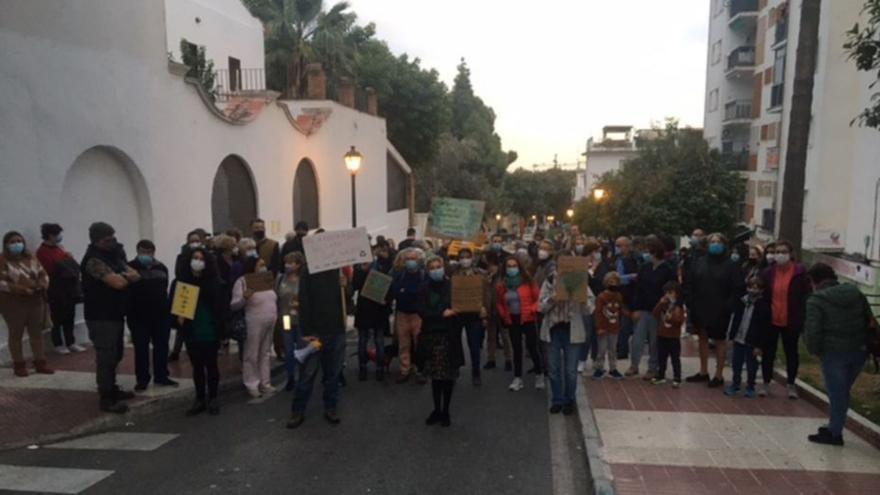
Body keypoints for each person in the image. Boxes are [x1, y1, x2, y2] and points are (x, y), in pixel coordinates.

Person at [804, 263, 874, 446]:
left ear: (813, 281)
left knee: (837, 393)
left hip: (833, 352)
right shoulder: (854, 292)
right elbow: (869, 317)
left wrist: (813, 349)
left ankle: (835, 433)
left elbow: (813, 330)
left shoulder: (816, 300)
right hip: (859, 350)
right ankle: (834, 426)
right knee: (842, 392)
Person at [80, 222, 139, 413]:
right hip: (100, 315)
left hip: (115, 313)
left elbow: (134, 274)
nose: (113, 241)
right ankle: (106, 397)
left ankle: (112, 387)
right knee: (106, 356)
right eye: (108, 239)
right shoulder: (93, 260)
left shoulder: (113, 255)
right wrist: (124, 276)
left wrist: (124, 276)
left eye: (113, 236)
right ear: (97, 240)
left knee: (116, 353)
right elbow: (117, 283)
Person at [287, 247, 347, 429]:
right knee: (307, 374)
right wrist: (306, 331)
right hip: (315, 332)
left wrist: (346, 285)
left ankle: (331, 407)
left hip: (336, 330)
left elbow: (346, 301)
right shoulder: (308, 271)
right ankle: (298, 410)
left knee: (333, 373)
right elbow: (303, 301)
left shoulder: (337, 271)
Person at [169, 248, 224, 415]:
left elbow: (221, 307)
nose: (198, 261)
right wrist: (177, 319)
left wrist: (222, 329)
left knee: (211, 365)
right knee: (197, 367)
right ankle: (200, 398)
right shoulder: (180, 282)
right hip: (191, 330)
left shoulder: (215, 282)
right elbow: (172, 305)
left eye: (201, 258)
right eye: (195, 258)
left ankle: (213, 397)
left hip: (210, 329)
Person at [684, 233, 743, 388]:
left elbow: (737, 289)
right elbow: (689, 282)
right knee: (702, 338)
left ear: (724, 245)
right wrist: (690, 302)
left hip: (720, 310)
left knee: (719, 341)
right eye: (712, 242)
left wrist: (728, 306)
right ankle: (703, 372)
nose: (715, 244)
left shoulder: (731, 265)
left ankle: (719, 375)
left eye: (718, 242)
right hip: (700, 307)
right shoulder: (699, 262)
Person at [760, 240, 810, 399]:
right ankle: (766, 383)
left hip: (791, 320)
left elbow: (805, 296)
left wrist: (802, 317)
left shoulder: (800, 273)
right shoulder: (768, 273)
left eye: (783, 251)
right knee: (768, 353)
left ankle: (791, 384)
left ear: (790, 254)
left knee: (791, 353)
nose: (780, 255)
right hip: (771, 319)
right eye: (777, 252)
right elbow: (763, 296)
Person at [0, 231, 55, 377]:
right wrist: (22, 290)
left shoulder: (31, 257)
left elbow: (43, 274)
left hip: (35, 301)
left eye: (19, 241)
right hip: (13, 304)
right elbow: (2, 283)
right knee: (16, 334)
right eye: (12, 242)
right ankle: (19, 365)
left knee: (36, 334)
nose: (17, 244)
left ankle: (40, 363)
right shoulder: (3, 260)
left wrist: (43, 284)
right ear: (6, 244)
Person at [419, 257, 463, 427]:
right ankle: (437, 409)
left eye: (439, 267)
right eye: (432, 268)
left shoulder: (452, 286)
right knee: (436, 377)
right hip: (432, 336)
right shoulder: (424, 288)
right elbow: (421, 310)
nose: (436, 270)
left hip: (449, 336)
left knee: (448, 376)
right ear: (428, 271)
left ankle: (446, 410)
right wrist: (440, 314)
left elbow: (461, 306)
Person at [127, 240, 177, 391]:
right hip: (138, 315)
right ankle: (142, 379)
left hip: (161, 315)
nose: (146, 255)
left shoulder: (161, 267)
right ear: (137, 251)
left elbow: (163, 289)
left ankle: (161, 376)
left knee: (162, 346)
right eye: (143, 252)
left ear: (154, 252)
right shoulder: (130, 267)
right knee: (141, 348)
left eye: (149, 252)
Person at [539, 269, 588, 415]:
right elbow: (541, 307)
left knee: (571, 371)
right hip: (553, 330)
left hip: (572, 330)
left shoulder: (580, 281)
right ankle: (557, 399)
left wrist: (582, 300)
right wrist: (553, 298)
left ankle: (569, 400)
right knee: (553, 369)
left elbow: (589, 308)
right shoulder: (549, 281)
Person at [626, 236, 677, 380]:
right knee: (637, 339)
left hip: (659, 310)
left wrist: (667, 305)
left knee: (655, 342)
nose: (646, 254)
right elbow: (638, 288)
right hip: (643, 309)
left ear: (654, 251)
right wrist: (635, 308)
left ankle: (653, 367)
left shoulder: (667, 269)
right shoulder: (644, 267)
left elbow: (672, 289)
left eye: (648, 251)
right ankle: (634, 365)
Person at [231, 256, 278, 398]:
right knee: (251, 353)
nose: (263, 267)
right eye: (260, 265)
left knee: (265, 352)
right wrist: (244, 297)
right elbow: (234, 305)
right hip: (253, 322)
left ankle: (265, 382)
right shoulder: (242, 282)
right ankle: (252, 383)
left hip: (270, 321)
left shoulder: (266, 281)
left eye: (264, 264)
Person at [35, 223, 86, 354]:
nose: (59, 237)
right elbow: (49, 270)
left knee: (70, 316)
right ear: (50, 235)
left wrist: (69, 259)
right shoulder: (42, 252)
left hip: (69, 288)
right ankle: (58, 344)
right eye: (57, 234)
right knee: (57, 318)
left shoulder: (59, 249)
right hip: (55, 289)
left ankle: (71, 342)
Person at [496, 256, 543, 391]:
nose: (512, 268)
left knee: (532, 347)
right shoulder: (502, 285)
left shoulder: (528, 282)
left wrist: (532, 310)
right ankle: (517, 378)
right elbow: (499, 302)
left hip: (527, 318)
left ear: (519, 267)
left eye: (514, 265)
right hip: (512, 319)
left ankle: (539, 373)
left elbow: (537, 299)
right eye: (509, 266)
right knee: (516, 348)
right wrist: (504, 314)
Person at [353, 242, 394, 382]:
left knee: (379, 340)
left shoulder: (383, 265)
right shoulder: (359, 268)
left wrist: (387, 300)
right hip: (365, 308)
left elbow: (390, 284)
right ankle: (362, 367)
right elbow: (355, 286)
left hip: (379, 308)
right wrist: (362, 271)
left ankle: (380, 368)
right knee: (363, 340)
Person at [724, 276, 770, 398]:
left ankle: (750, 386)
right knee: (736, 363)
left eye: (756, 288)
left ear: (761, 290)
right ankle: (735, 383)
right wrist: (731, 337)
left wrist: (759, 345)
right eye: (750, 287)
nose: (753, 291)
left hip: (752, 342)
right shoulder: (741, 302)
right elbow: (734, 320)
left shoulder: (763, 306)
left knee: (751, 365)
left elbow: (764, 328)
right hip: (739, 338)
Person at [450, 247, 488, 386]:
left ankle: (476, 372)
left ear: (472, 258)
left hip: (475, 315)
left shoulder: (480, 274)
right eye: (462, 257)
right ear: (458, 259)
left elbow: (485, 293)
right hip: (457, 314)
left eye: (467, 257)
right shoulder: (453, 273)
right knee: (455, 343)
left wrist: (484, 311)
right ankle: (455, 368)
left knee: (474, 346)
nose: (465, 259)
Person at [391, 248, 426, 384]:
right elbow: (394, 292)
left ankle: (420, 369)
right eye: (408, 259)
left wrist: (405, 292)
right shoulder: (399, 275)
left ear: (418, 261)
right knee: (403, 344)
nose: (410, 262)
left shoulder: (423, 275)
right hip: (402, 314)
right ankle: (404, 369)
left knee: (419, 343)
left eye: (413, 259)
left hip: (418, 315)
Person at [276, 252, 305, 390]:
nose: (288, 265)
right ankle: (290, 377)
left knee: (301, 348)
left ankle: (302, 376)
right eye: (286, 262)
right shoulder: (281, 279)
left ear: (298, 264)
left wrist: (301, 304)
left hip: (300, 318)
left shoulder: (304, 279)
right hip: (286, 317)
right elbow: (276, 297)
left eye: (291, 262)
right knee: (288, 349)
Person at [593, 271, 628, 379]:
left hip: (614, 326)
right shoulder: (601, 297)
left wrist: (628, 314)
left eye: (615, 282)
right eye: (610, 281)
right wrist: (599, 327)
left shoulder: (618, 296)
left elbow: (621, 309)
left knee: (613, 349)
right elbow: (598, 312)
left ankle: (613, 368)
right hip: (603, 326)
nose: (613, 284)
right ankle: (599, 367)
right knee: (601, 349)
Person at [482, 252, 513, 372]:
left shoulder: (503, 278)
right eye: (488, 266)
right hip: (490, 312)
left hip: (502, 311)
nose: (490, 268)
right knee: (490, 337)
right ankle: (491, 359)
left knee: (505, 336)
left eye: (492, 265)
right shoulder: (486, 278)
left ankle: (508, 359)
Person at [651, 281, 685, 387]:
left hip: (673, 337)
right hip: (662, 335)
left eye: (670, 292)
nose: (667, 295)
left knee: (675, 358)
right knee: (661, 357)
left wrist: (673, 316)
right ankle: (661, 375)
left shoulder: (679, 307)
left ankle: (677, 377)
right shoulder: (663, 305)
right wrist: (660, 303)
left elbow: (679, 320)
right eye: (666, 292)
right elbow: (655, 314)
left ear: (676, 293)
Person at [612, 236, 638, 360]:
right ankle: (621, 349)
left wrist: (621, 278)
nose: (616, 248)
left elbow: (634, 277)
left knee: (625, 326)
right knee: (622, 325)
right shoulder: (617, 259)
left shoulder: (633, 260)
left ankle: (622, 351)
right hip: (620, 295)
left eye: (619, 245)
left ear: (627, 246)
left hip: (628, 296)